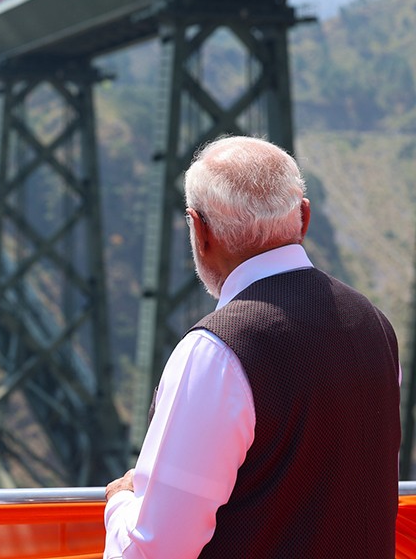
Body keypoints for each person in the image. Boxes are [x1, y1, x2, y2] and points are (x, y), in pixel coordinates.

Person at [103, 136, 401, 558]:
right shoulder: (376, 326)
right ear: (304, 217)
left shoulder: (216, 352)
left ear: (199, 230)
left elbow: (155, 552)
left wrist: (119, 503)